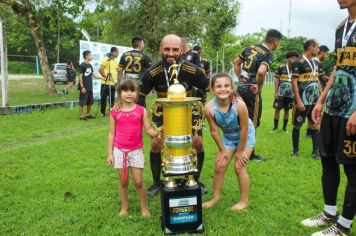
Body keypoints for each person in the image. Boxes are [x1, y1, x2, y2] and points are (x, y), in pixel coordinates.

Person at [301, 0, 356, 235]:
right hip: (334, 105)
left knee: (352, 168)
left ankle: (343, 227)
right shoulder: (341, 27)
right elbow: (337, 67)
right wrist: (322, 99)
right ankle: (329, 212)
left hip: (353, 110)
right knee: (328, 160)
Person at [138, 34, 209, 197]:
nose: (171, 53)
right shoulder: (153, 71)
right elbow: (140, 94)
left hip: (187, 111)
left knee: (198, 143)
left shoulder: (192, 70)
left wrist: (230, 95)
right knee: (156, 144)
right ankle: (157, 182)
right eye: (167, 49)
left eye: (175, 49)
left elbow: (209, 86)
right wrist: (138, 112)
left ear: (182, 50)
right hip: (163, 111)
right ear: (161, 49)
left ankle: (194, 180)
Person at [202, 73, 255, 211]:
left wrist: (240, 151)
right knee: (220, 165)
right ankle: (215, 198)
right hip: (229, 137)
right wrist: (223, 150)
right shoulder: (208, 108)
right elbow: (214, 131)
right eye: (218, 86)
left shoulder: (240, 105)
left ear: (231, 88)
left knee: (239, 166)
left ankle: (244, 201)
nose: (223, 89)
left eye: (226, 86)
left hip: (246, 136)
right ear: (212, 89)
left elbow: (244, 129)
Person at [107, 78, 158, 217]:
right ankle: (124, 208)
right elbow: (111, 133)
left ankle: (144, 209)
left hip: (136, 151)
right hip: (119, 151)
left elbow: (148, 129)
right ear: (119, 92)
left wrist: (159, 132)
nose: (128, 93)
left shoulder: (141, 111)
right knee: (123, 181)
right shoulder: (114, 111)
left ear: (137, 93)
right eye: (125, 90)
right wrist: (110, 154)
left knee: (138, 181)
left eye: (132, 90)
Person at [233, 29, 282, 161]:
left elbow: (236, 62)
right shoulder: (267, 54)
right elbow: (261, 72)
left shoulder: (250, 48)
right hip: (252, 91)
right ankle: (251, 154)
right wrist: (258, 86)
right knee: (252, 122)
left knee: (241, 118)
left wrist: (241, 79)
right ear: (275, 41)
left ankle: (238, 148)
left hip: (241, 88)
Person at [290, 39, 322, 159]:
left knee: (315, 125)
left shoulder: (315, 63)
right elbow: (293, 82)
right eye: (317, 47)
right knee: (297, 125)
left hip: (314, 101)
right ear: (311, 47)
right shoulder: (298, 62)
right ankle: (295, 150)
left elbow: (317, 80)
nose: (318, 50)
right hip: (303, 101)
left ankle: (315, 152)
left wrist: (321, 98)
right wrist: (298, 101)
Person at [305, 45, 330, 138]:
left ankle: (309, 132)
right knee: (316, 111)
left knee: (311, 110)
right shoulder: (317, 63)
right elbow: (322, 77)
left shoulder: (312, 61)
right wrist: (333, 78)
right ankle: (315, 130)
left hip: (311, 90)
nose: (326, 56)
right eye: (326, 54)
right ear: (322, 52)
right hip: (317, 90)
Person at [271, 51, 299, 133]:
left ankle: (284, 128)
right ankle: (275, 128)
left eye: (296, 58)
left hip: (291, 95)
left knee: (287, 111)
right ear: (288, 58)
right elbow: (276, 80)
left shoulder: (297, 69)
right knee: (277, 110)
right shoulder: (281, 67)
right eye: (292, 58)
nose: (294, 60)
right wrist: (276, 91)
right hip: (280, 94)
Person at [78, 50, 100, 120]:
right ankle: (81, 116)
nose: (91, 56)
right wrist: (82, 87)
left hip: (90, 87)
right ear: (86, 56)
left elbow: (94, 74)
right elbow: (80, 76)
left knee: (90, 102)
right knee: (82, 102)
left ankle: (88, 114)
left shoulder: (90, 65)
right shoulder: (82, 65)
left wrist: (102, 77)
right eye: (90, 55)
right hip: (84, 87)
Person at [99, 47, 119, 117]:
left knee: (112, 98)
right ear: (113, 52)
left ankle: (111, 111)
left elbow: (117, 70)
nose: (118, 54)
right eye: (117, 52)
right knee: (103, 98)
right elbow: (100, 69)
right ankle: (102, 112)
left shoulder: (116, 60)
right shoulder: (106, 59)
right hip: (105, 83)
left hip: (113, 83)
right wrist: (106, 77)